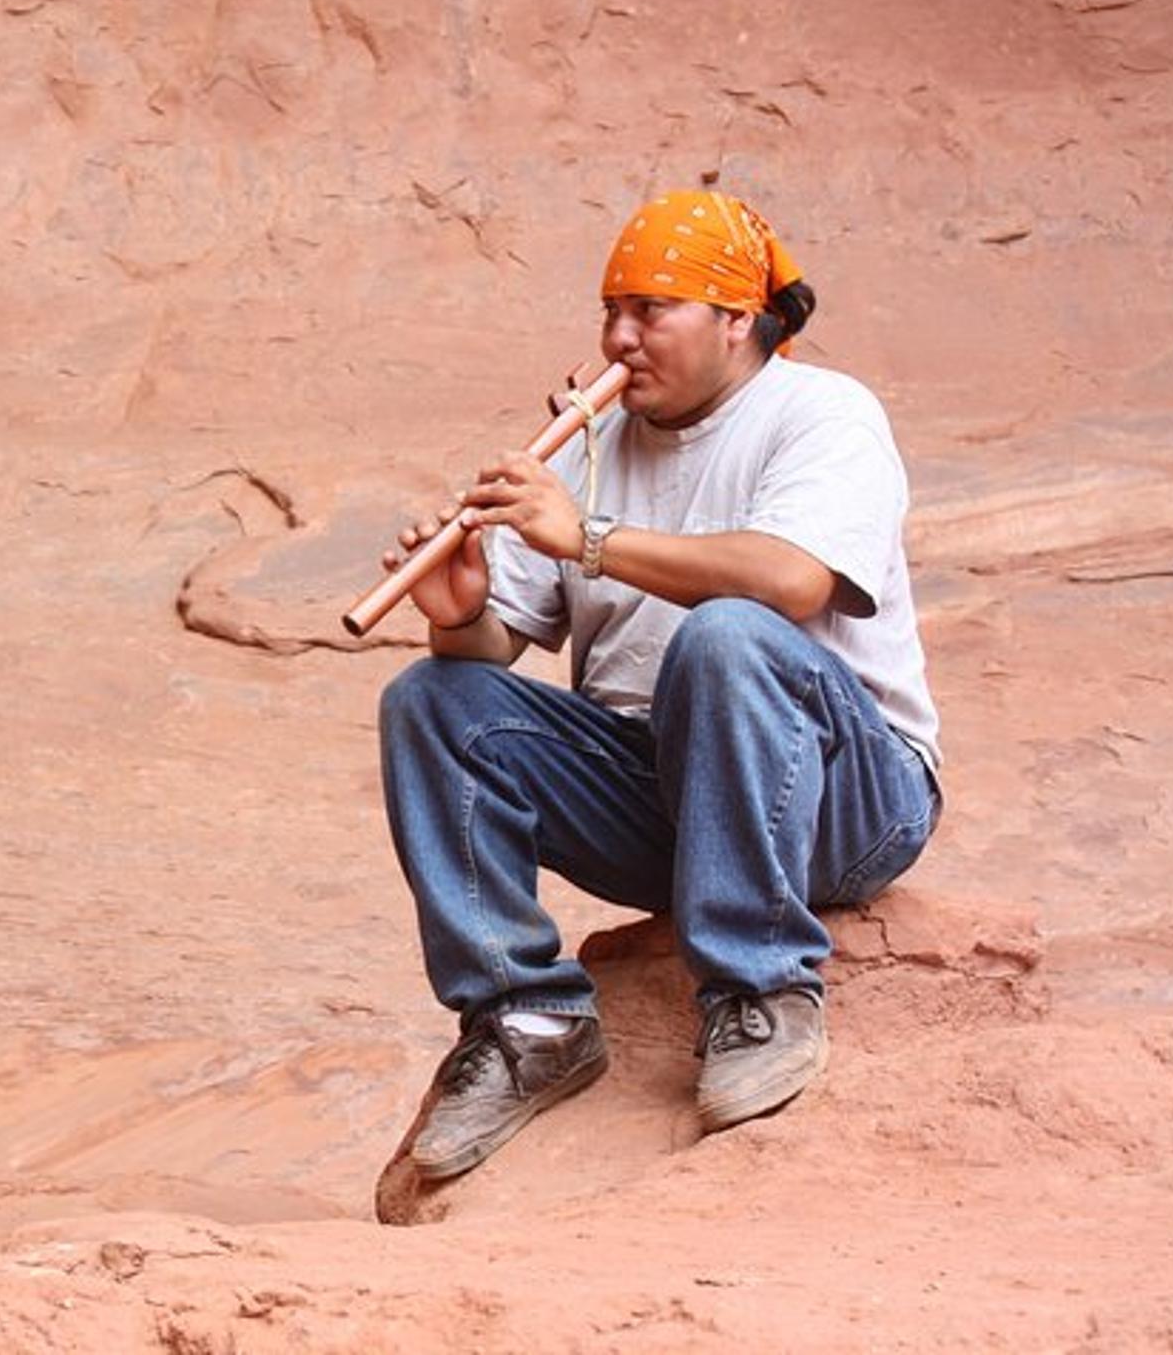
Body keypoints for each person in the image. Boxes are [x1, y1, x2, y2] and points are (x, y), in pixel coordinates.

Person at [377, 189, 942, 1181]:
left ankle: (758, 988)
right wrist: (457, 608)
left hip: (844, 802)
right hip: (667, 804)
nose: (618, 337)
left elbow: (790, 581)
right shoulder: (590, 440)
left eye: (650, 310)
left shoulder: (822, 414)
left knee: (726, 633)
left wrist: (583, 539)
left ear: (735, 322)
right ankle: (526, 1022)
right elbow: (487, 658)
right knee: (427, 701)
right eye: (609, 310)